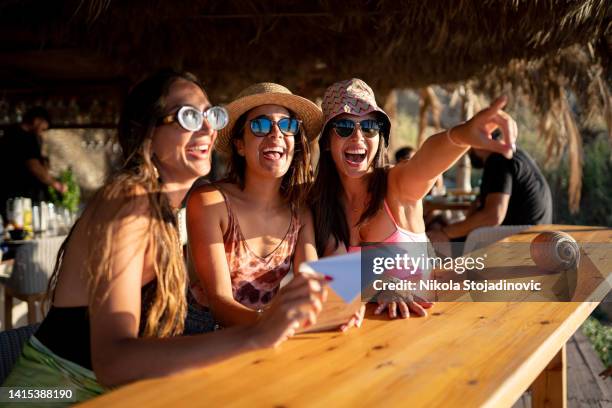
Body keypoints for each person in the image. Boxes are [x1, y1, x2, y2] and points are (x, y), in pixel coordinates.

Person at [2, 70, 327, 402]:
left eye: (209, 116)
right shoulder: (129, 205)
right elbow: (112, 362)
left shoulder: (162, 208)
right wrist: (257, 334)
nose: (205, 128)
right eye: (187, 116)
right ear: (148, 132)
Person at [311, 78, 518, 320]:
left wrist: (462, 136)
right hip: (355, 338)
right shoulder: (321, 202)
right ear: (326, 142)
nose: (358, 137)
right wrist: (378, 285)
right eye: (345, 127)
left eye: (369, 127)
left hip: (424, 327)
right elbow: (333, 273)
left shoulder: (396, 184)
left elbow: (425, 163)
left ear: (380, 139)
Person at [187, 83, 358, 331]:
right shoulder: (210, 201)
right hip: (203, 335)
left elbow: (311, 281)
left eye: (287, 126)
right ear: (240, 145)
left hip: (266, 333)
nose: (276, 134)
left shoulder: (299, 211)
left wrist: (342, 308)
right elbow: (219, 303)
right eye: (261, 125)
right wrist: (275, 324)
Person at [428, 146, 552, 243]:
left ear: (481, 141)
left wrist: (445, 233)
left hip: (518, 239)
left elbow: (493, 216)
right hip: (538, 236)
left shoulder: (498, 159)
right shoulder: (517, 155)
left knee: (437, 242)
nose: (467, 151)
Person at [0, 107, 67, 222]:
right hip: (19, 197)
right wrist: (55, 184)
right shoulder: (26, 137)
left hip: (7, 195)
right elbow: (34, 166)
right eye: (42, 127)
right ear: (36, 120)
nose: (42, 131)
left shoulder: (10, 133)